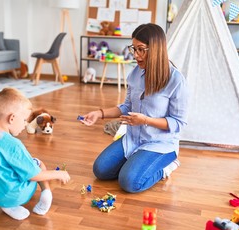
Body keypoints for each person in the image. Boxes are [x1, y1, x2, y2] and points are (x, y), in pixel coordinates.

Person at [80, 23, 188, 193]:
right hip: (133, 139)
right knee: (100, 170)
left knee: (129, 183)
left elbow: (178, 123)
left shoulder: (176, 80)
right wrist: (99, 114)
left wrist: (145, 120)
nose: (135, 55)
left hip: (160, 144)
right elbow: (127, 106)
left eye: (141, 49)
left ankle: (166, 167)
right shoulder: (135, 74)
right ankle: (136, 161)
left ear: (156, 49)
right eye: (133, 49)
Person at [0, 87, 70, 220]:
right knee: (37, 163)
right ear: (12, 118)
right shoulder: (13, 145)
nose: (25, 125)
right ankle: (46, 193)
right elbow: (35, 175)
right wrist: (59, 173)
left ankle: (6, 206)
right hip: (17, 195)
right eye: (25, 120)